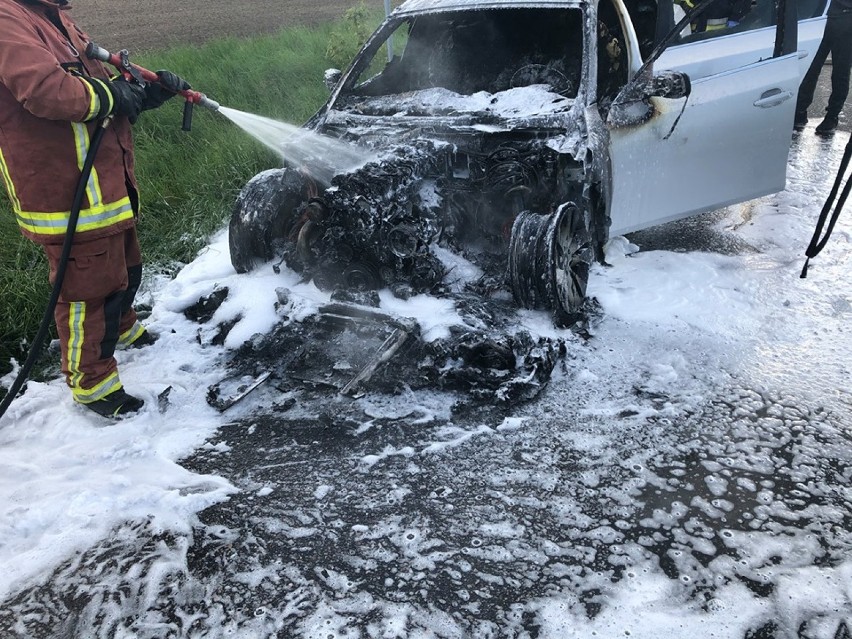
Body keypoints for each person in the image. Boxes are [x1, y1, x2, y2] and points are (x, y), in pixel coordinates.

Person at [0, 0, 189, 418]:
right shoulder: (6, 18)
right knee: (88, 288)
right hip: (65, 191)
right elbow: (45, 89)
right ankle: (93, 384)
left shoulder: (54, 17)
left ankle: (121, 329)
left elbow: (100, 85)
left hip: (104, 179)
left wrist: (145, 94)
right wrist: (112, 95)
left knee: (124, 262)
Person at [794, 0, 852, 135]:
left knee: (840, 72)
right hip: (820, 18)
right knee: (810, 68)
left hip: (846, 19)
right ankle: (800, 110)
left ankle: (832, 116)